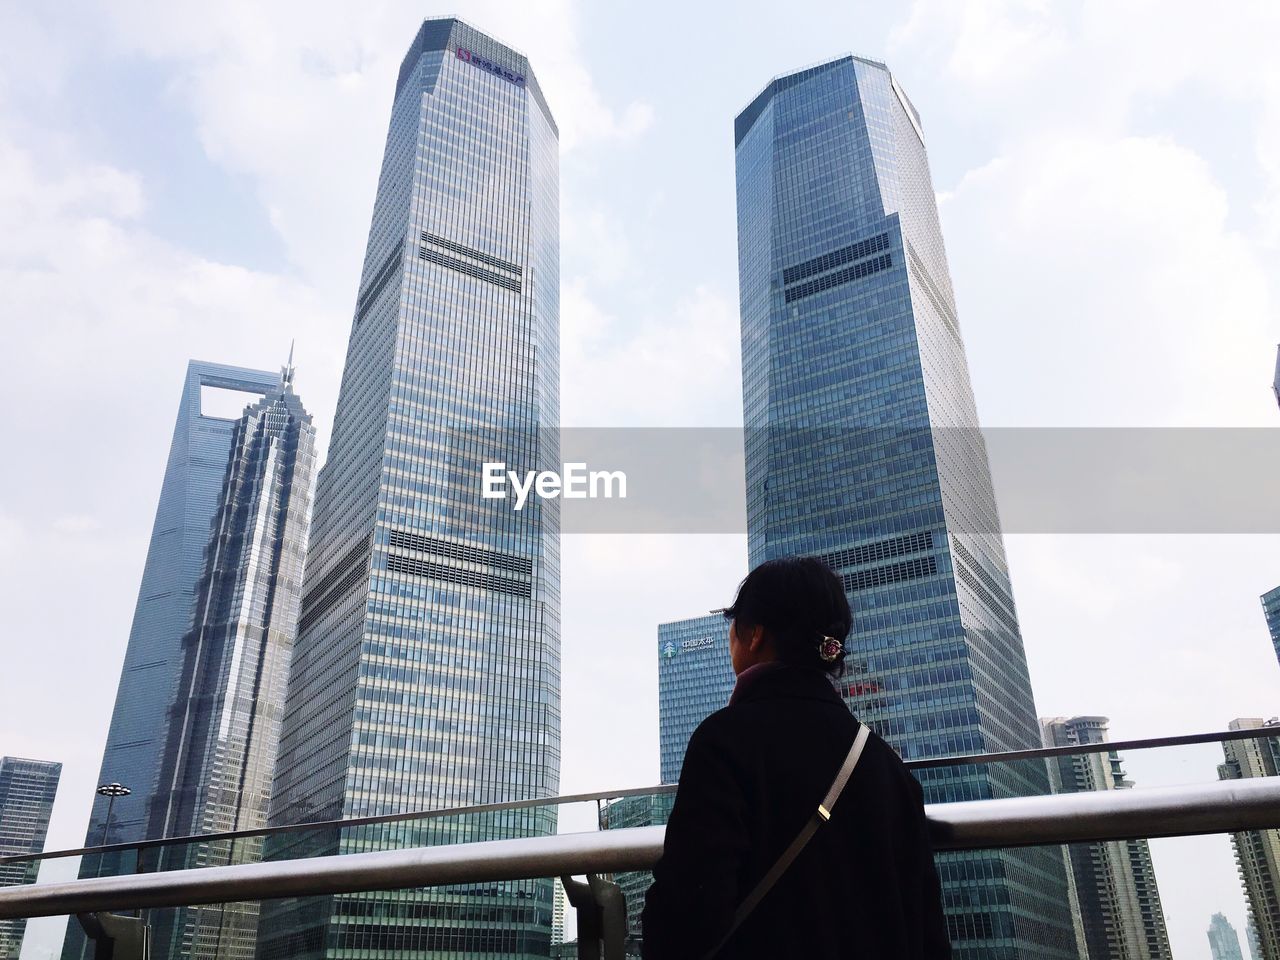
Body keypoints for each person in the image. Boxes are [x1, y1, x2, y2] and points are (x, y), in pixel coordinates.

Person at [641, 556, 950, 959]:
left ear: (754, 635)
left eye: (732, 627)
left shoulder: (724, 742)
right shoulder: (887, 766)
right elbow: (927, 931)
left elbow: (687, 914)